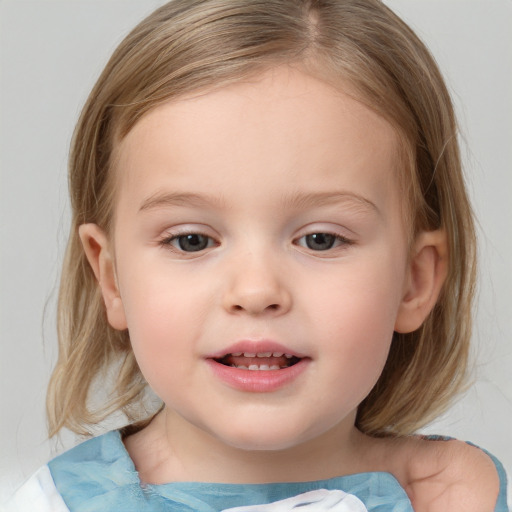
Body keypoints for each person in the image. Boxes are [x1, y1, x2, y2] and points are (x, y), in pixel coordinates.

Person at [3, 0, 509, 510]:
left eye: (320, 239)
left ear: (414, 281)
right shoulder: (58, 504)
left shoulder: (462, 496)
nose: (256, 291)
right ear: (111, 280)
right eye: (191, 240)